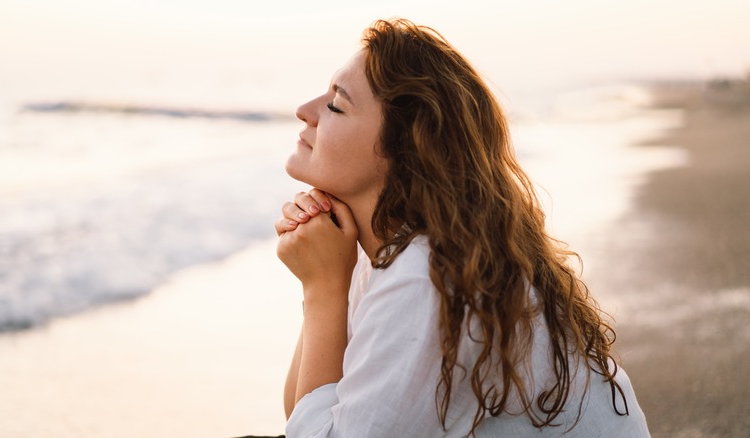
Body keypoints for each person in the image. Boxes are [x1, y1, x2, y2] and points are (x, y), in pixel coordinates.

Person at [273, 18, 650, 437]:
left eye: (336, 105)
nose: (305, 110)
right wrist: (326, 283)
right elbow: (305, 412)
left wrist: (323, 288)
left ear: (407, 149)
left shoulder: (428, 275)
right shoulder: (394, 252)